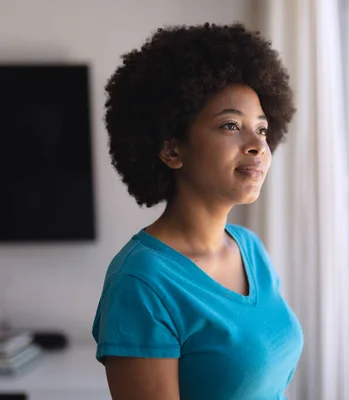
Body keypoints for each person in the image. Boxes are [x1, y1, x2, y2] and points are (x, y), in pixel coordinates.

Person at [92, 23, 303, 400]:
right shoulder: (141, 284)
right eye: (231, 125)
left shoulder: (249, 249)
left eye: (262, 128)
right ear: (172, 150)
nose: (258, 145)